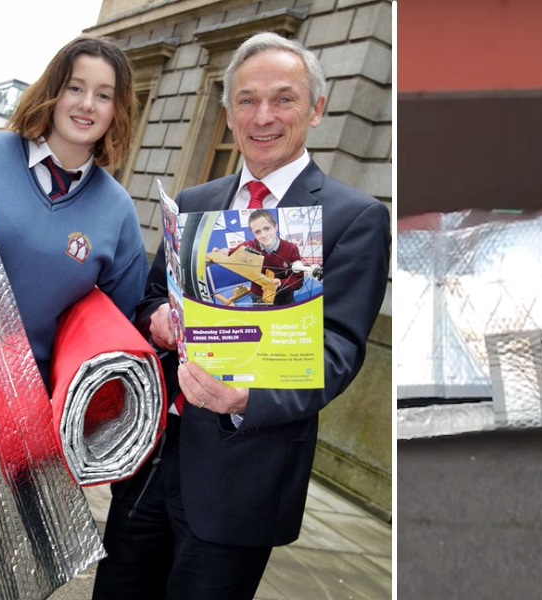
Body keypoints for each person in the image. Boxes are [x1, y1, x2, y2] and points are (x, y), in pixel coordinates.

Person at [91, 32, 391, 599]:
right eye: (247, 100)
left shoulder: (354, 217)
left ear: (316, 109)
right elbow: (152, 299)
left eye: (284, 99)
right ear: (228, 114)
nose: (264, 116)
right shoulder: (197, 201)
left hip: (244, 473)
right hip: (154, 460)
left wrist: (247, 401)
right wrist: (157, 321)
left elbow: (339, 351)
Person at [0, 34, 148, 392]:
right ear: (53, 92)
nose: (87, 104)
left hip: (26, 409)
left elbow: (120, 334)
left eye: (104, 95)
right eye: (75, 88)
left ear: (117, 110)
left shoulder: (118, 211)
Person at [206, 208, 305, 305]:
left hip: (284, 297)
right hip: (259, 295)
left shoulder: (291, 249)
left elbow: (298, 280)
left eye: (267, 228)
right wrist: (218, 253)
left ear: (275, 227)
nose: (263, 235)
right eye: (257, 232)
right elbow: (230, 253)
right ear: (253, 233)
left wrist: (280, 283)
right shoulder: (248, 247)